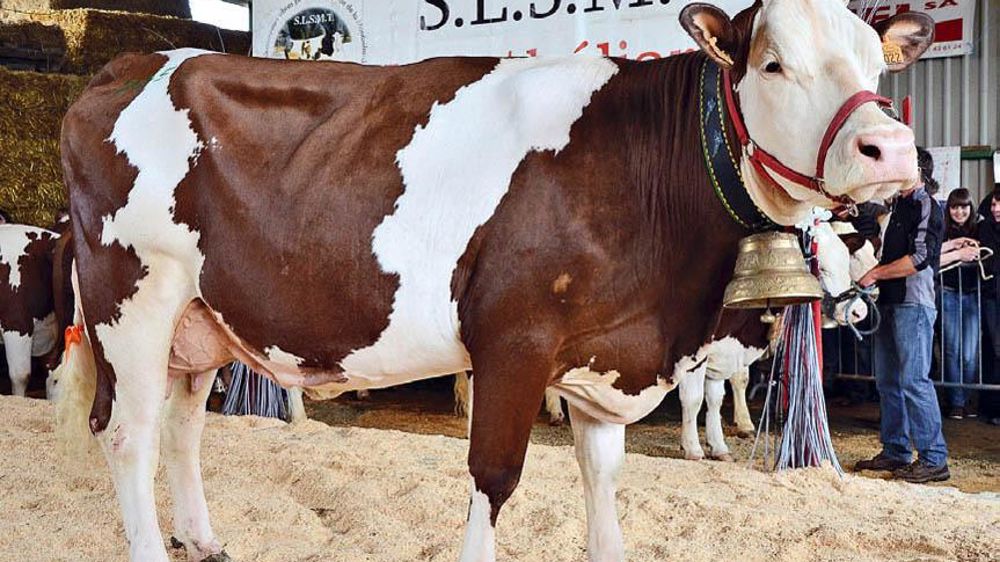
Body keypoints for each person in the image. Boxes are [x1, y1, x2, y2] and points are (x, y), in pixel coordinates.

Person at [855, 147, 950, 483]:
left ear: (918, 170)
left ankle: (934, 457)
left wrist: (876, 273)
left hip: (914, 303)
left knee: (913, 380)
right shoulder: (898, 206)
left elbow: (920, 257)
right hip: (891, 302)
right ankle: (895, 450)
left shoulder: (928, 205)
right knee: (889, 382)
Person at [937, 188, 982, 419]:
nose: (959, 211)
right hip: (947, 293)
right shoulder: (941, 229)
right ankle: (956, 402)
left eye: (964, 206)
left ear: (970, 208)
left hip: (973, 295)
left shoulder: (979, 228)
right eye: (955, 207)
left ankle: (969, 399)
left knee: (970, 353)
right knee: (952, 349)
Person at [973, 188, 1000, 427]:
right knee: (994, 347)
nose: (996, 209)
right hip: (992, 295)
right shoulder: (985, 228)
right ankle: (990, 404)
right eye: (994, 204)